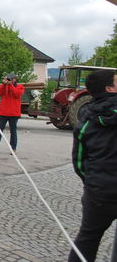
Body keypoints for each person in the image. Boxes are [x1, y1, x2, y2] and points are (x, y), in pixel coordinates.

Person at [68, 70, 117, 262]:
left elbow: (79, 162)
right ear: (109, 88)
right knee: (88, 237)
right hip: (101, 190)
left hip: (99, 190)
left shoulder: (86, 119)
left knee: (87, 238)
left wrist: (92, 181)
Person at [0, 73, 24, 153]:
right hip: (3, 113)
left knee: (13, 131)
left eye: (11, 79)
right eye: (8, 79)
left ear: (15, 79)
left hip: (14, 113)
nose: (10, 80)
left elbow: (16, 94)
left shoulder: (20, 87)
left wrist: (10, 85)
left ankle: (13, 148)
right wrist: (3, 84)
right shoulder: (5, 86)